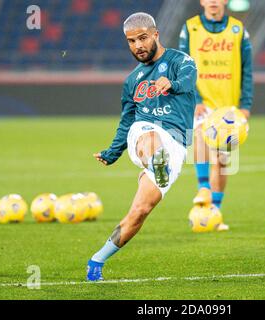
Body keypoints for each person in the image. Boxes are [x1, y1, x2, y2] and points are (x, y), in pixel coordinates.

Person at [87, 12, 197, 281]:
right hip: (145, 132)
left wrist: (171, 84)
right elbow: (127, 122)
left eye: (143, 38)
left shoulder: (182, 61)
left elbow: (189, 81)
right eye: (131, 41)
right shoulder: (132, 81)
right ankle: (154, 162)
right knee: (149, 136)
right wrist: (113, 152)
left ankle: (96, 261)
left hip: (177, 145)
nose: (138, 45)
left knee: (139, 213)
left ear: (156, 35)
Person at [179, 0, 253, 230]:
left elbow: (247, 70)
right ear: (202, 1)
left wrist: (245, 104)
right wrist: (194, 99)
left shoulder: (238, 30)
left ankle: (215, 211)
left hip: (229, 107)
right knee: (200, 137)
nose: (212, 1)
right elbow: (183, 66)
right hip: (202, 102)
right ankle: (203, 188)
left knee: (221, 162)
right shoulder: (190, 28)